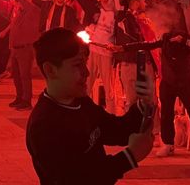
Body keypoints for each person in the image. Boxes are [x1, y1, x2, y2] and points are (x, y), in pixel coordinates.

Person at [26, 28, 154, 184]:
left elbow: (117, 130)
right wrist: (130, 156)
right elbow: (79, 179)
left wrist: (144, 102)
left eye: (85, 63)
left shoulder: (82, 103)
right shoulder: (44, 125)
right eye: (77, 65)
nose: (86, 72)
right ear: (51, 70)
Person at [118, 19, 190, 157]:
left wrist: (184, 42)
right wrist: (123, 48)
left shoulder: (187, 40)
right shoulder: (165, 38)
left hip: (186, 83)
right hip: (168, 83)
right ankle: (168, 144)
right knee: (166, 114)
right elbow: (146, 44)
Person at [0, 0, 41, 110]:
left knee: (24, 75)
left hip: (25, 49)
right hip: (15, 49)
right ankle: (19, 97)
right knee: (16, 75)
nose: (21, 0)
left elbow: (27, 4)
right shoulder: (20, 13)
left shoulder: (34, 10)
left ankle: (27, 101)